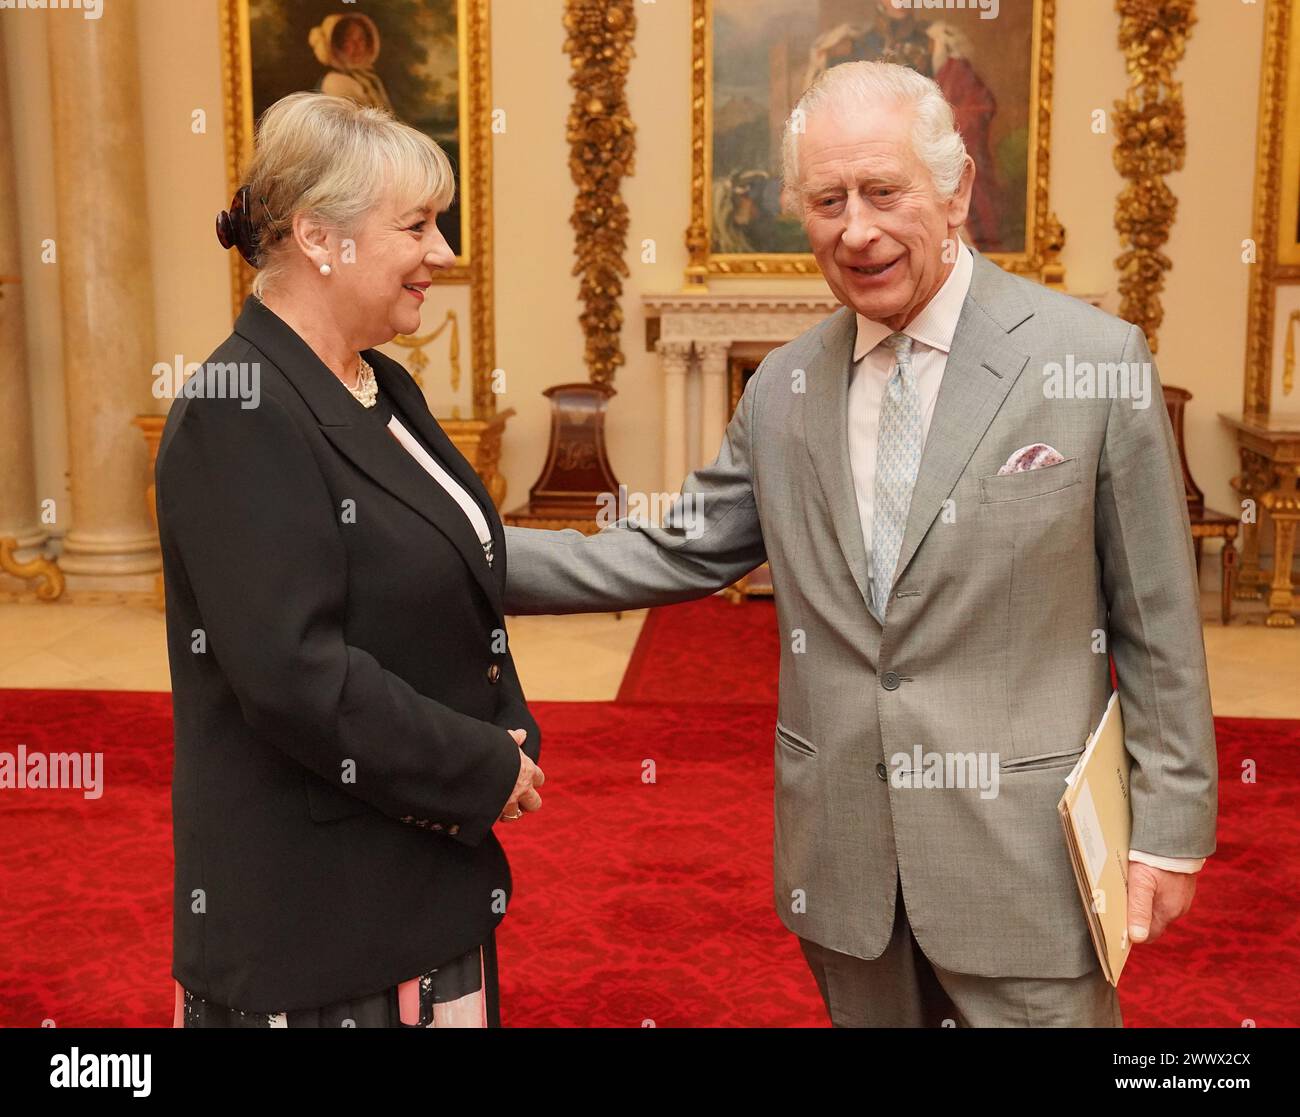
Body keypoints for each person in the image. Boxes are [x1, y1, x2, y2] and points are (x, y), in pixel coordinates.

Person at [503, 62, 1216, 1027]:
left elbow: (1158, 617)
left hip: (1026, 866)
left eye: (885, 192)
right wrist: (459, 548)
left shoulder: (1090, 360)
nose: (857, 230)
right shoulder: (784, 387)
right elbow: (675, 548)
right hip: (845, 866)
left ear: (957, 187)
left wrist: (1170, 832)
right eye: (827, 200)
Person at [159, 92, 542, 1028]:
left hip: (415, 874)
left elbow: (453, 567)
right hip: (319, 919)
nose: (443, 252)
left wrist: (510, 720)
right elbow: (296, 675)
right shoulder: (240, 407)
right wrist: (480, 762)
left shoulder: (381, 381)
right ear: (319, 238)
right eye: (416, 225)